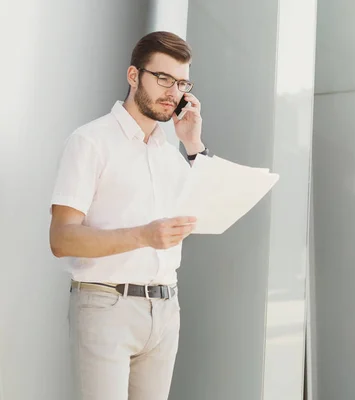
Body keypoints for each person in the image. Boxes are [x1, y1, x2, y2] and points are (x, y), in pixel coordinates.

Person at [49, 31, 207, 400]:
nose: (173, 92)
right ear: (134, 76)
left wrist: (193, 145)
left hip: (166, 309)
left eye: (181, 82)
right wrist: (143, 235)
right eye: (163, 78)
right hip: (106, 305)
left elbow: (208, 207)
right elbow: (62, 238)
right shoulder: (90, 142)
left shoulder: (172, 155)